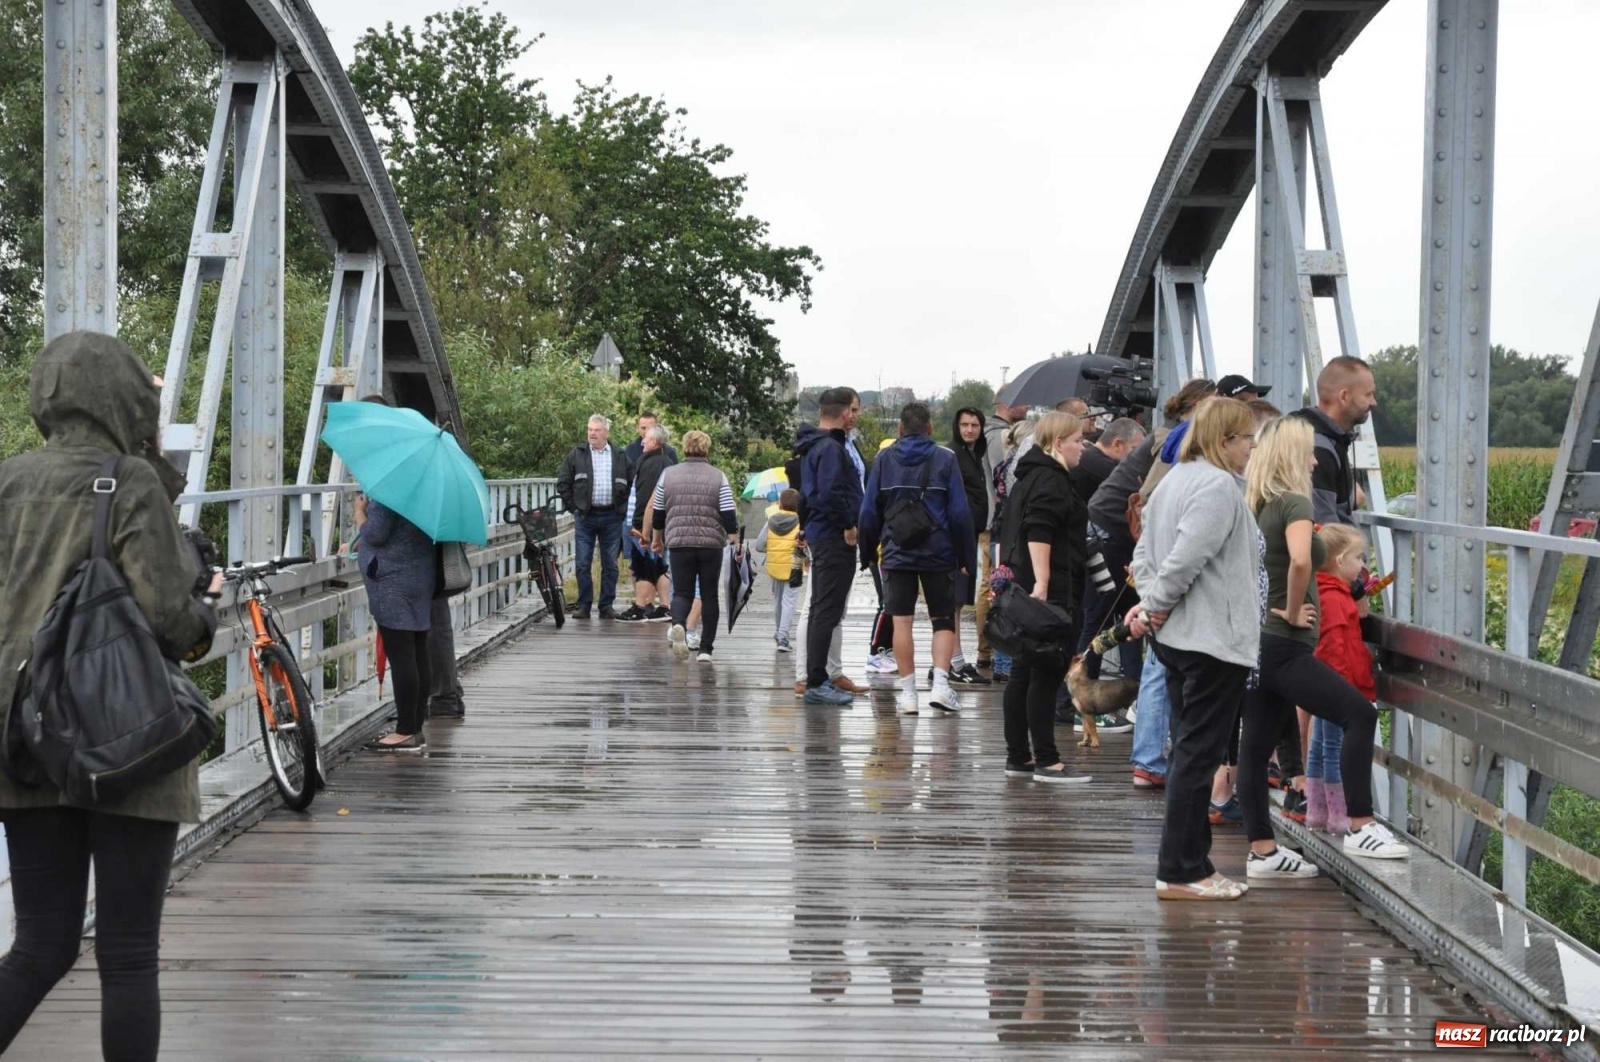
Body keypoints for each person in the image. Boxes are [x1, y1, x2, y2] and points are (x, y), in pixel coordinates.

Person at [0, 332, 223, 1061]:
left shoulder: (5, 481)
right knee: (127, 953)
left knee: (39, 944)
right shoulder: (128, 482)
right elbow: (169, 617)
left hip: (25, 743)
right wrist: (206, 612)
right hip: (130, 741)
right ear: (124, 400)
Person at [1239, 416, 1407, 881]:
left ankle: (1263, 852)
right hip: (1286, 644)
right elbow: (1298, 560)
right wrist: (1293, 611)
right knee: (1359, 714)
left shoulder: (1258, 502)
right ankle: (1360, 824)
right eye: (1309, 451)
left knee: (1253, 749)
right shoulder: (1294, 502)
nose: (1315, 460)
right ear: (1292, 455)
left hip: (1258, 643)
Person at [1127, 396, 1262, 900]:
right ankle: (1181, 871)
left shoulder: (1173, 481)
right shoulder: (1217, 486)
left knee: (1190, 753)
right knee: (1196, 759)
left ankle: (1193, 864)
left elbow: (1143, 551)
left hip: (1179, 639)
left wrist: (1148, 603)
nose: (1252, 447)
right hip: (1210, 640)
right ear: (1225, 440)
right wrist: (1155, 605)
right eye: (1247, 438)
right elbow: (1185, 559)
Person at [1089, 379, 1216, 792]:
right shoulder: (1174, 439)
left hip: (1132, 543)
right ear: (1200, 406)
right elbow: (1151, 499)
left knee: (1146, 642)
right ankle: (1149, 754)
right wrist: (1151, 575)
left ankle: (1144, 746)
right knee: (1154, 647)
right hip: (1134, 543)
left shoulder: (1171, 437)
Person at [859, 402, 977, 714]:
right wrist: (967, 556)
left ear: (899, 429)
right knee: (942, 620)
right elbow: (961, 513)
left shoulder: (884, 459)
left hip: (897, 553)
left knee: (902, 622)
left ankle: (908, 694)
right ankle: (940, 685)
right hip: (939, 552)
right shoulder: (946, 458)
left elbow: (869, 510)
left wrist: (867, 551)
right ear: (929, 429)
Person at [998, 411, 1090, 783]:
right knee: (1046, 674)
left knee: (1023, 671)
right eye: (1078, 441)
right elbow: (1039, 530)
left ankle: (1018, 756)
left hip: (1022, 585)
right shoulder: (1053, 480)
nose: (1083, 447)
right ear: (1057, 443)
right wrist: (1042, 582)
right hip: (1049, 592)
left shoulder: (1027, 476)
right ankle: (1047, 761)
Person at [354, 412, 437, 753]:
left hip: (393, 583)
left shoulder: (392, 487)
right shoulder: (427, 481)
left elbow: (376, 533)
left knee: (402, 657)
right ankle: (416, 724)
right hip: (420, 576)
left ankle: (405, 731)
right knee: (418, 653)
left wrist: (361, 511)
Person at [794, 387, 865, 706]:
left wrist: (806, 526)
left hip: (820, 532)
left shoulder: (812, 446)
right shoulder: (833, 449)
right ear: (845, 412)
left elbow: (806, 495)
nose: (856, 416)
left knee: (824, 607)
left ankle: (818, 677)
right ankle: (816, 681)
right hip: (835, 536)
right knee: (826, 609)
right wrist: (849, 524)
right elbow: (831, 493)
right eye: (855, 410)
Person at [1069, 418, 1146, 700]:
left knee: (1126, 619)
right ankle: (1079, 696)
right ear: (1118, 444)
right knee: (1099, 622)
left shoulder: (1090, 460)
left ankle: (1132, 692)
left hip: (1101, 548)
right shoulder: (1101, 465)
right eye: (1135, 450)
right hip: (1104, 549)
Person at [1305, 523, 1375, 835]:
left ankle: (1317, 810)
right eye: (1359, 558)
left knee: (1320, 744)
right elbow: (1333, 647)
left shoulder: (1326, 592)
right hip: (1338, 684)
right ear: (1339, 560)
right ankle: (1338, 814)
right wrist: (1346, 688)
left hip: (1325, 684)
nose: (1362, 566)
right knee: (1333, 747)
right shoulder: (1334, 599)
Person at [651, 430, 739, 663]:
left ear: (684, 448)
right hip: (711, 545)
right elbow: (728, 512)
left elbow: (659, 512)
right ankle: (705, 650)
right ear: (707, 450)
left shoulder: (668, 475)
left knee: (682, 592)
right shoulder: (718, 476)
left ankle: (679, 625)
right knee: (709, 595)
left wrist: (657, 539)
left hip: (679, 542)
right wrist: (734, 538)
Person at [556, 414, 633, 620]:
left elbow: (632, 484)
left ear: (606, 432)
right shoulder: (576, 454)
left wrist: (623, 508)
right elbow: (563, 483)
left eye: (597, 430)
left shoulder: (620, 455)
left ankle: (606, 605)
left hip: (611, 516)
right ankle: (584, 605)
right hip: (585, 517)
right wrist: (574, 507)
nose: (592, 434)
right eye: (590, 429)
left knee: (610, 563)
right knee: (582, 562)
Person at [1289, 355, 1378, 525]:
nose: (1374, 402)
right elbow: (1324, 526)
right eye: (1368, 395)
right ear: (1344, 396)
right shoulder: (1318, 448)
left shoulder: (1330, 439)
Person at [986, 419, 1036, 682]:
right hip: (1013, 537)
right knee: (1016, 598)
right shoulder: (1022, 468)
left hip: (998, 534)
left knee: (1001, 596)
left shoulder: (1003, 464)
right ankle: (1010, 662)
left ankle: (1001, 662)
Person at [948, 407, 993, 686]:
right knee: (953, 600)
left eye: (974, 425)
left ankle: (949, 659)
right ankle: (954, 660)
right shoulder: (952, 454)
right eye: (964, 424)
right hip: (956, 536)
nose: (969, 430)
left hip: (972, 533)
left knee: (960, 598)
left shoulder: (976, 454)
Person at [620, 423, 676, 622]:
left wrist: (642, 527)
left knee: (645, 565)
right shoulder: (666, 461)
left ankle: (642, 607)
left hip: (646, 524)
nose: (642, 441)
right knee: (656, 565)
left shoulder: (652, 463)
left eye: (646, 438)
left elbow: (648, 499)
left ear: (655, 441)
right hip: (655, 523)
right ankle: (663, 606)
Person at [753, 489, 805, 651]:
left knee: (778, 602)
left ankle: (778, 633)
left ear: (780, 503)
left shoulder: (770, 521)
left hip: (774, 568)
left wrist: (773, 549)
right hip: (793, 567)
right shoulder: (801, 523)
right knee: (789, 603)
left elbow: (759, 545)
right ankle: (783, 639)